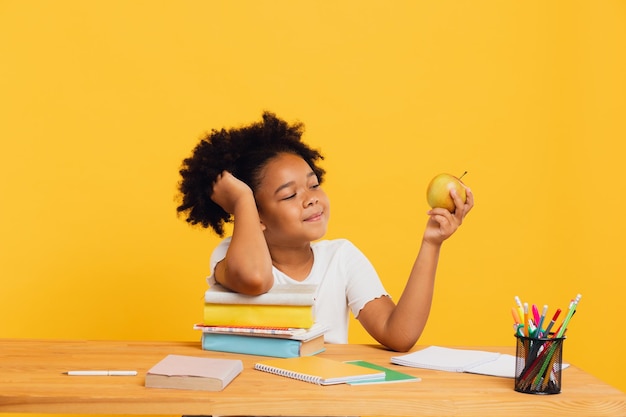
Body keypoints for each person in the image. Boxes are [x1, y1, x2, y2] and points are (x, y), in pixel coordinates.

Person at [177, 111, 473, 352]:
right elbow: (256, 279)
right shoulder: (230, 256)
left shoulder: (341, 257)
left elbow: (399, 334)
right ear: (257, 216)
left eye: (314, 184)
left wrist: (431, 243)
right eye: (289, 195)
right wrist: (242, 199)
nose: (311, 198)